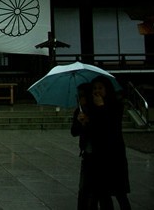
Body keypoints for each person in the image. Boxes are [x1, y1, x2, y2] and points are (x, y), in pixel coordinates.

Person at [87, 75, 131, 209]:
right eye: (94, 88)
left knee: (120, 192)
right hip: (99, 154)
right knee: (101, 193)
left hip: (114, 153)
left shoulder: (116, 105)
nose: (97, 91)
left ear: (107, 89)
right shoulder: (91, 107)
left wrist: (101, 106)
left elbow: (112, 126)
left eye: (100, 88)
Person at [71, 82, 93, 210]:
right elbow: (74, 132)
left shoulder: (98, 110)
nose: (80, 99)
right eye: (78, 96)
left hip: (102, 153)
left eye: (83, 96)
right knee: (83, 187)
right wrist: (80, 123)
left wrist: (89, 122)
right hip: (87, 153)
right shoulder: (79, 111)